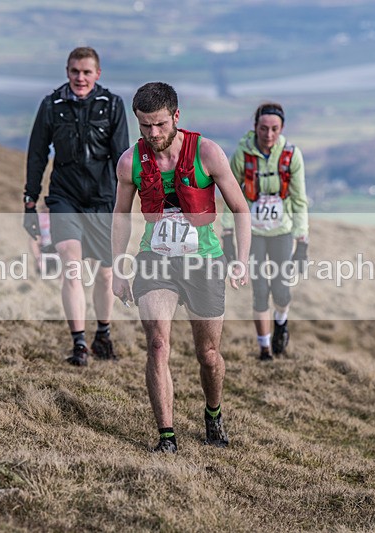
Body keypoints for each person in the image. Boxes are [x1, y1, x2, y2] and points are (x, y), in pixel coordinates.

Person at [111, 82, 251, 453]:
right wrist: (118, 268)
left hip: (204, 262)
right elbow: (120, 215)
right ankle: (167, 437)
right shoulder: (129, 162)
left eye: (159, 124)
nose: (153, 133)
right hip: (155, 260)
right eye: (145, 125)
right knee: (158, 345)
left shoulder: (207, 153)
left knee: (208, 355)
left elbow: (240, 209)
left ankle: (213, 413)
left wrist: (241, 261)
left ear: (176, 116)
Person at [23, 46, 129, 366]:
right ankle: (79, 343)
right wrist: (30, 200)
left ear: (98, 74)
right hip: (64, 197)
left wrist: (123, 206)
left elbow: (122, 159)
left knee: (105, 275)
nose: (80, 78)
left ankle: (103, 334)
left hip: (102, 199)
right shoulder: (51, 105)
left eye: (86, 72)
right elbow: (37, 154)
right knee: (71, 264)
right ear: (67, 71)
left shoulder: (112, 105)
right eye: (74, 71)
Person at [221, 102, 309, 361]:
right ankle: (265, 349)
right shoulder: (242, 154)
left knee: (281, 291)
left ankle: (281, 322)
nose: (268, 134)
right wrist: (228, 235)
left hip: (282, 232)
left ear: (282, 128)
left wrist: (302, 241)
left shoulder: (292, 155)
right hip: (253, 233)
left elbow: (299, 200)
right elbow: (230, 197)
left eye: (274, 129)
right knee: (260, 291)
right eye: (263, 128)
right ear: (255, 127)